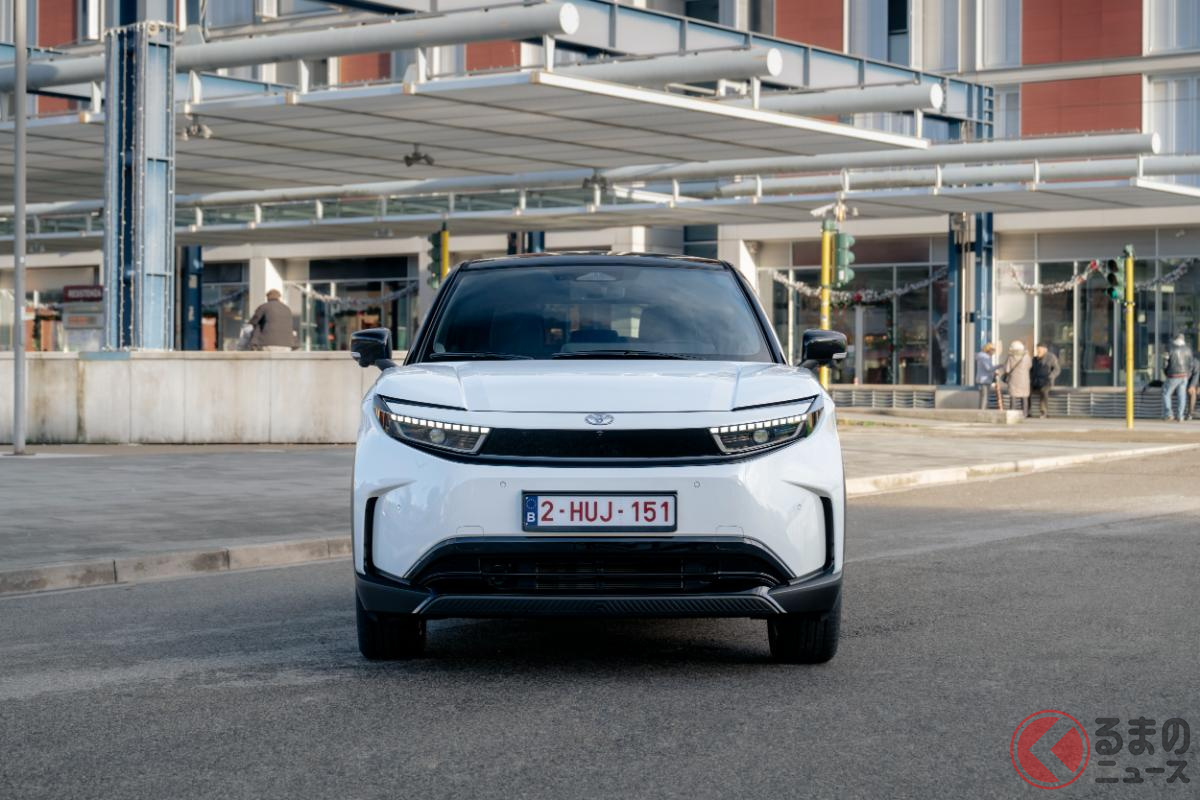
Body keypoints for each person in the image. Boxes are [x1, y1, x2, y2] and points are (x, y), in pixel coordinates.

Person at [1162, 334, 1193, 422]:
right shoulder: (1188, 349)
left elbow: (1165, 363)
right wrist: (1188, 374)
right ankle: (1180, 416)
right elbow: (1191, 364)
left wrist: (1166, 372)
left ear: (1175, 340)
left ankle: (1169, 414)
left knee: (1166, 393)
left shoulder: (1169, 348)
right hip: (1184, 375)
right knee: (1182, 395)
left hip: (1173, 375)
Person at [1030, 343, 1062, 419]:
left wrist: (1051, 376)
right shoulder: (1034, 359)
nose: (1038, 351)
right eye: (1037, 350)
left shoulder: (1051, 357)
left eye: (1039, 350)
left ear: (1045, 350)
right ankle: (1027, 411)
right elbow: (1031, 370)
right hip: (1036, 381)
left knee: (1044, 391)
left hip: (1046, 381)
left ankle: (1043, 412)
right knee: (1027, 391)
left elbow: (1057, 369)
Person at [1001, 340, 1033, 416]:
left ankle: (1013, 413)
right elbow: (1030, 366)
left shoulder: (1011, 357)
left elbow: (1007, 369)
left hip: (1014, 380)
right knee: (1024, 397)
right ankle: (1025, 413)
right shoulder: (1026, 356)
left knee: (1013, 397)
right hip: (1024, 380)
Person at [975, 342, 999, 410]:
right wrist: (998, 366)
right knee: (984, 396)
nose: (993, 352)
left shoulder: (984, 357)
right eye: (993, 350)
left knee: (984, 396)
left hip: (984, 379)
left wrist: (993, 372)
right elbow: (988, 368)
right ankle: (982, 411)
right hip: (984, 380)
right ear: (988, 350)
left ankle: (982, 410)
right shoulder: (984, 357)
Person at [1188, 354, 1200, 421]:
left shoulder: (1196, 361)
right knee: (1193, 392)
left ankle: (1191, 413)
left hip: (1195, 382)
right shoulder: (1195, 361)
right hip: (1192, 382)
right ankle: (1190, 413)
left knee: (1193, 392)